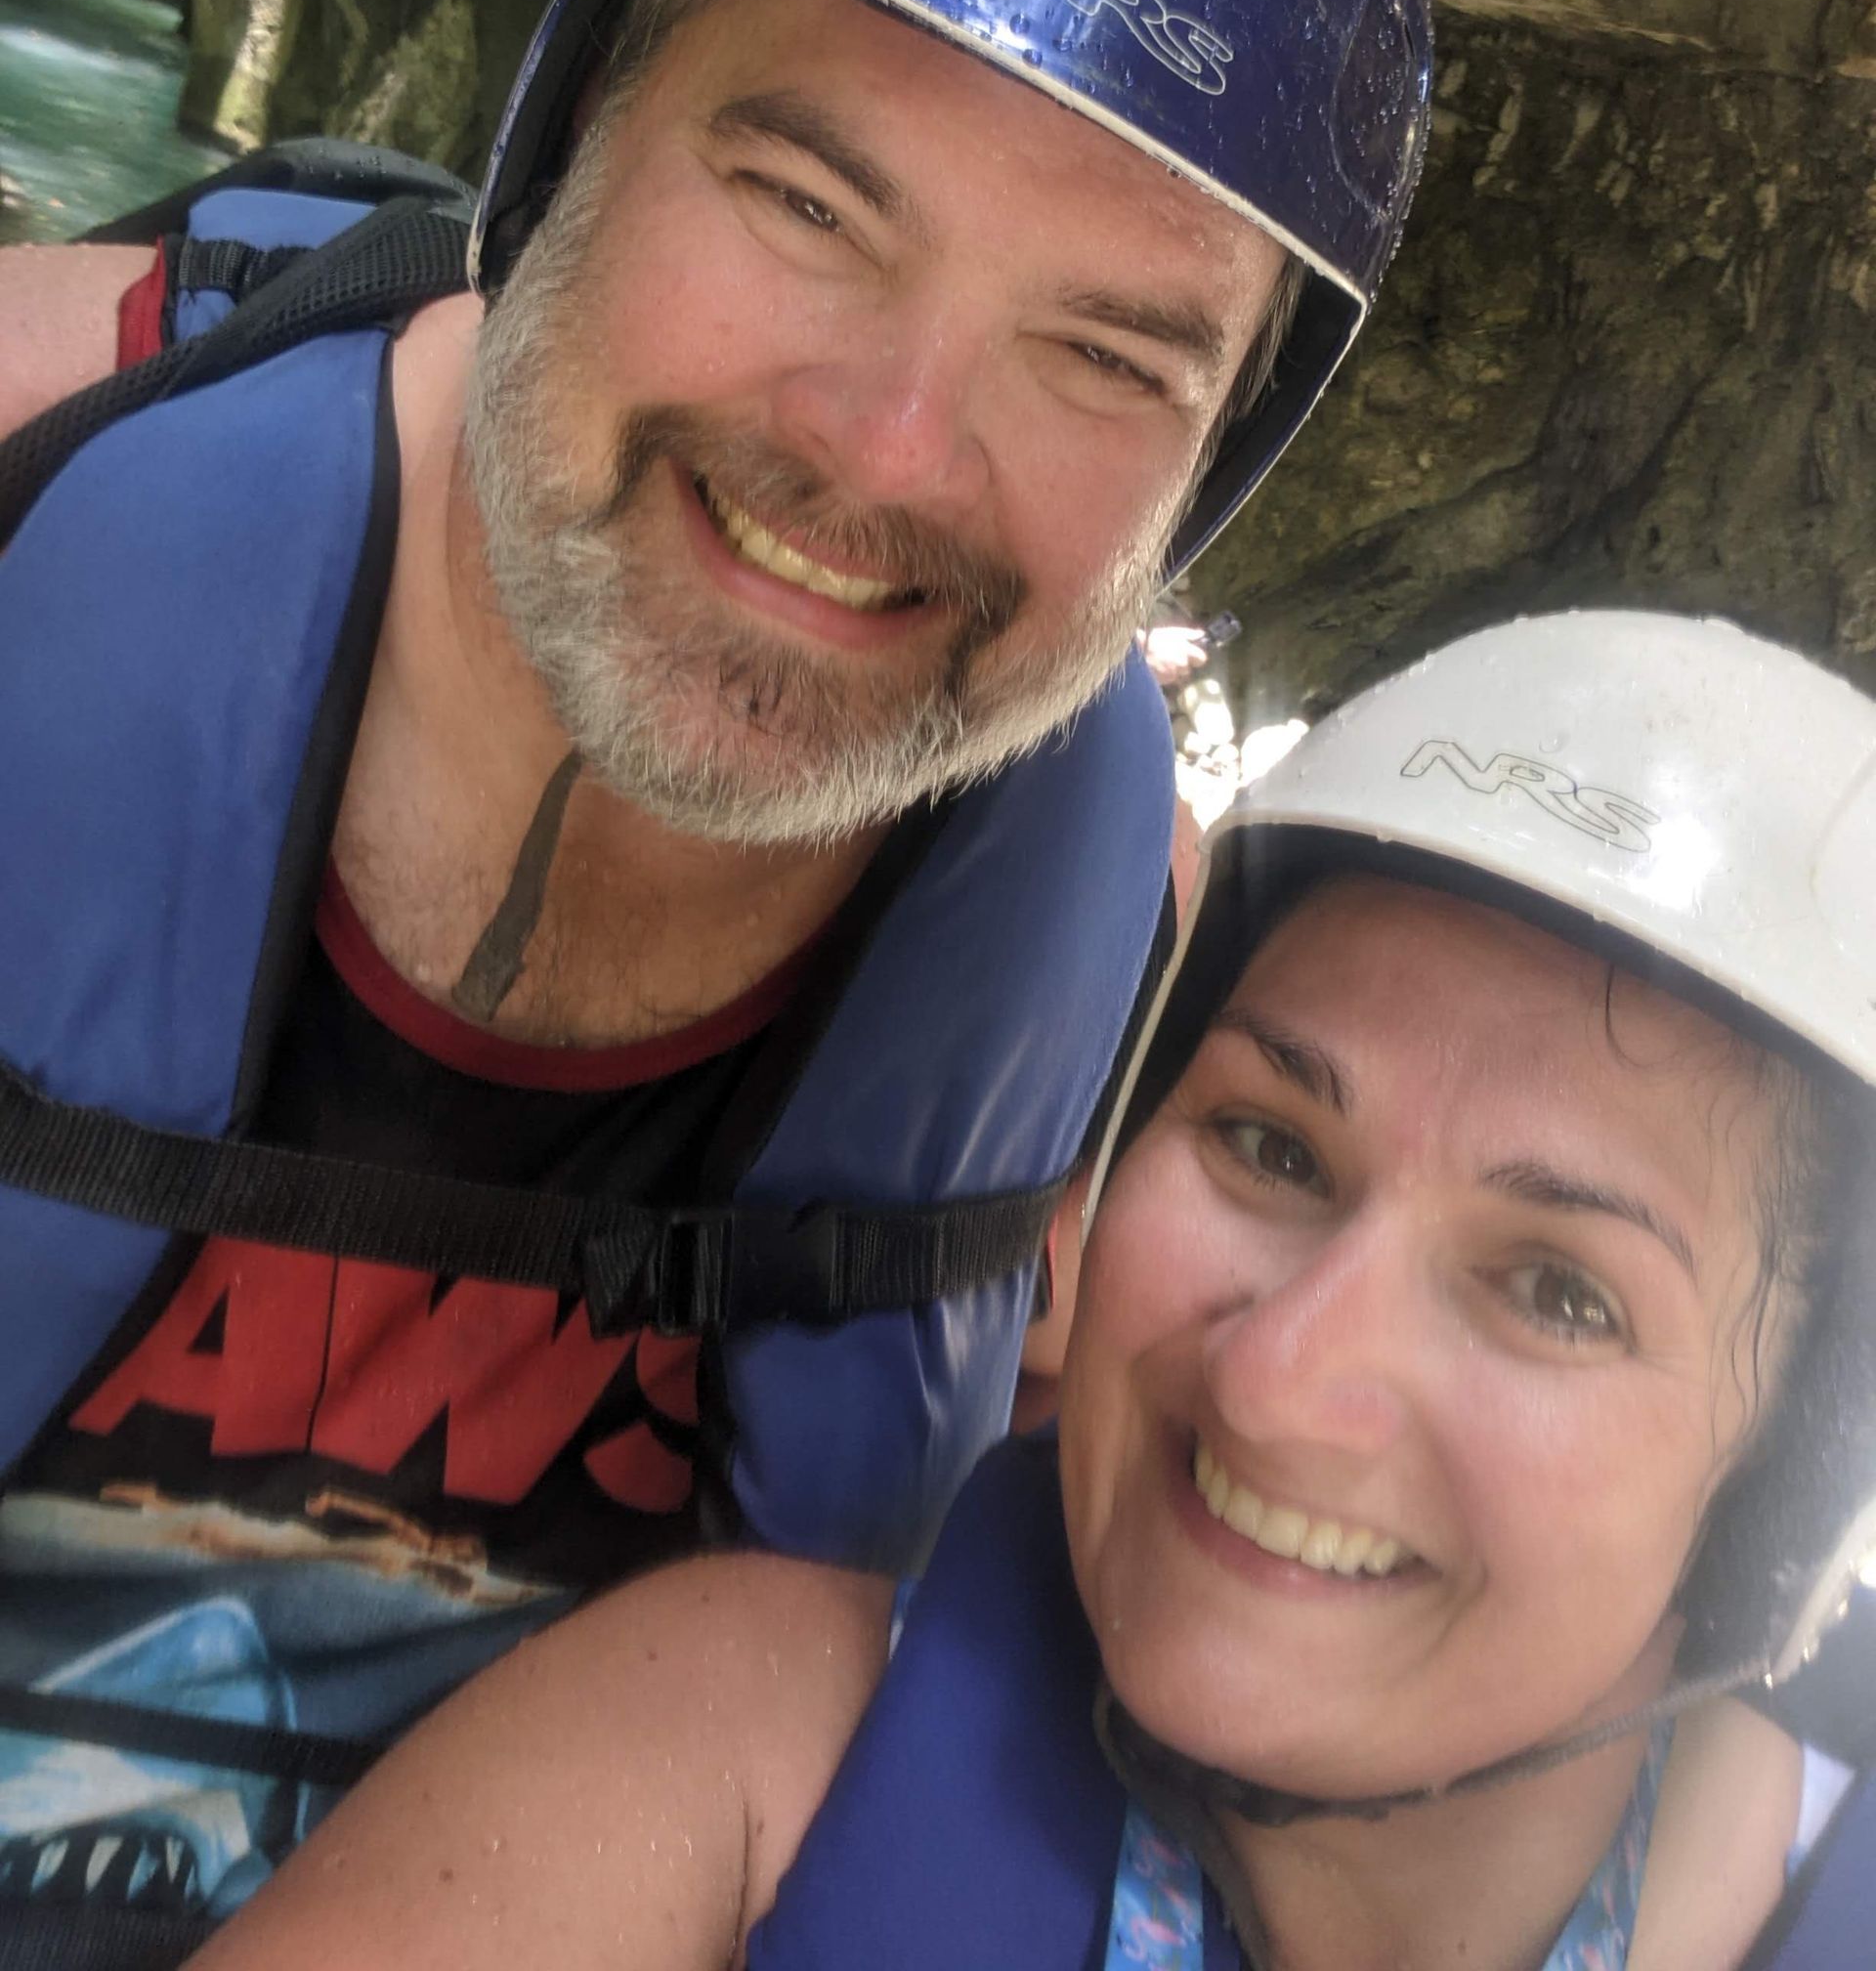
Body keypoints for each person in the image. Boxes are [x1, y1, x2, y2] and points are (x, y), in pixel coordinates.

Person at [0, 0, 1429, 1952]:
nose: (881, 454)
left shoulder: (1150, 999)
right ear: (565, 135)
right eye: (803, 203)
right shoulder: (32, 473)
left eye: (1100, 354)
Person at [193, 609, 1876, 1971]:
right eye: (1270, 1148)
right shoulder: (747, 1753)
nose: (1282, 1380)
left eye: (1557, 1292)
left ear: (1779, 1501)